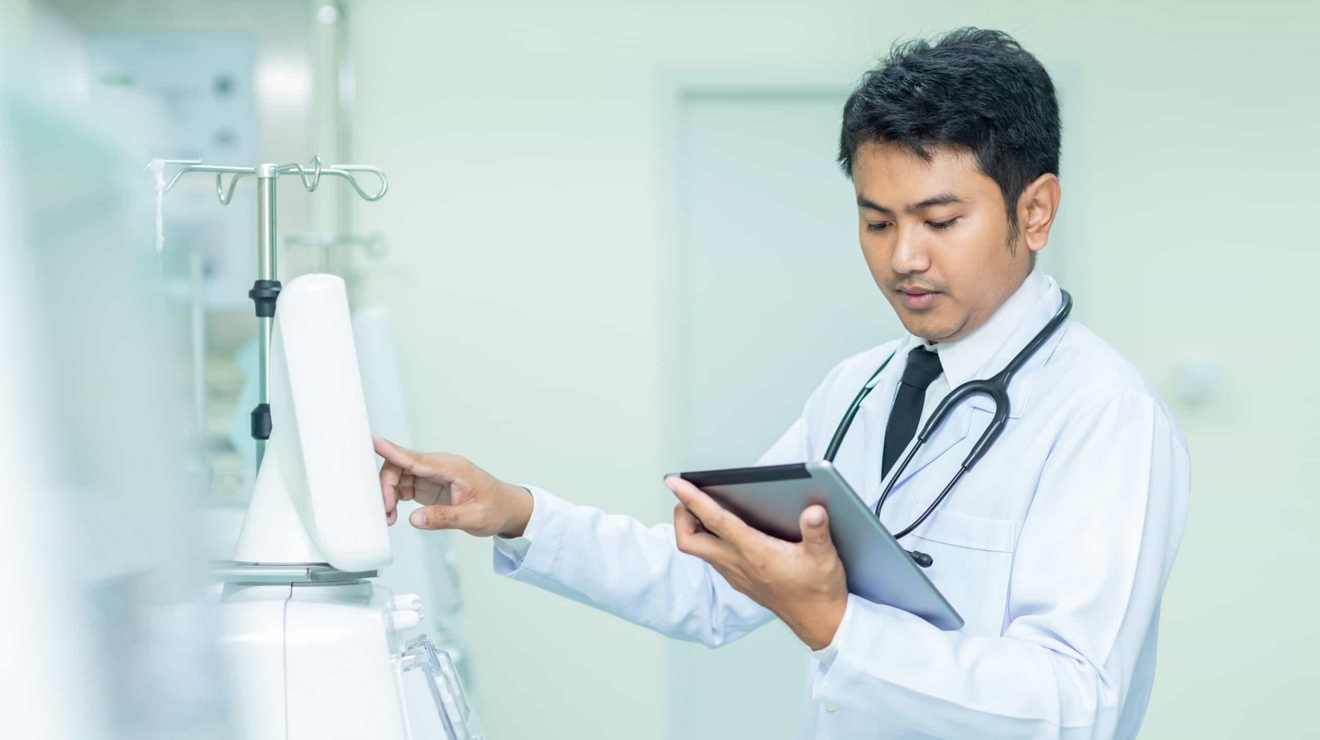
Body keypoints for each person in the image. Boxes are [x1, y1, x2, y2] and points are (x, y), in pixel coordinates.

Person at [374, 28, 1189, 739]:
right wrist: (513, 511)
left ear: (1036, 211)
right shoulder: (858, 389)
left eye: (940, 222)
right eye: (876, 221)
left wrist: (833, 622)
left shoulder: (1103, 415)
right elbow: (712, 584)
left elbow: (1076, 704)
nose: (903, 256)